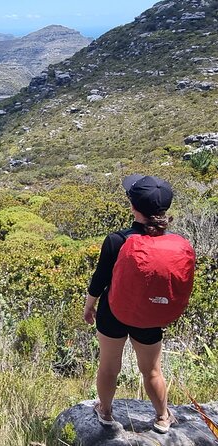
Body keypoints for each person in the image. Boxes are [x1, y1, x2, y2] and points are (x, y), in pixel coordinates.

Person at [83, 174, 177, 434]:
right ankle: (162, 418)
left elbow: (99, 280)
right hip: (149, 315)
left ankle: (106, 411)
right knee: (152, 370)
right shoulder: (171, 244)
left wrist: (89, 306)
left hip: (113, 312)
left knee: (109, 366)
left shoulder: (117, 240)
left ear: (134, 207)